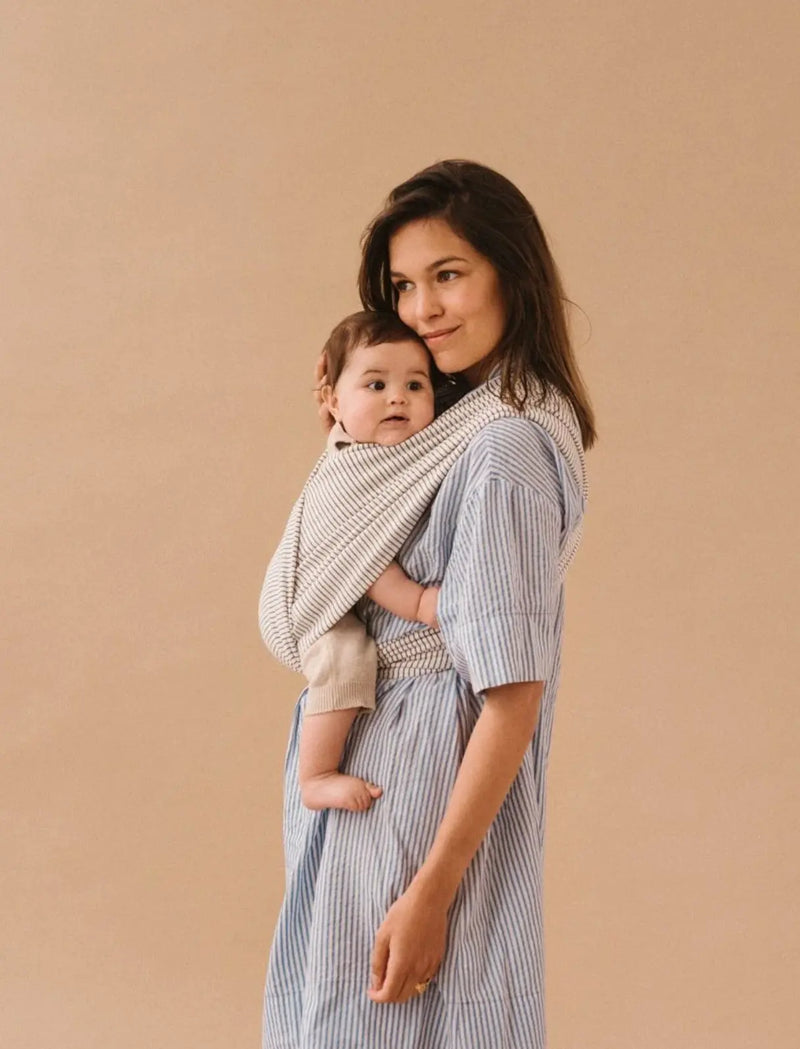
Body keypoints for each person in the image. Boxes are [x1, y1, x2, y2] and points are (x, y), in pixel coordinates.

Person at [258, 159, 596, 1049]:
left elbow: (513, 691)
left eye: (448, 275)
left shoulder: (505, 447)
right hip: (378, 764)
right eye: (404, 285)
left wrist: (433, 887)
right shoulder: (442, 425)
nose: (422, 310)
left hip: (420, 785)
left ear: (510, 275)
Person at [296, 310, 444, 813]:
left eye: (415, 385)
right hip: (323, 610)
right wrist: (419, 603)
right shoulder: (348, 468)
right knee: (345, 658)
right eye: (376, 384)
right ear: (334, 402)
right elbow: (367, 556)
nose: (397, 397)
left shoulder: (391, 451)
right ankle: (316, 776)